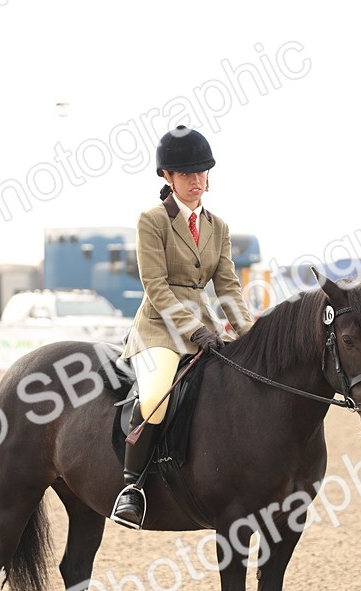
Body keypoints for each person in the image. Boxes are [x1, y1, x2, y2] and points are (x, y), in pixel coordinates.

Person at [110, 126, 254, 529]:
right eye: (186, 174)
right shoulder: (152, 221)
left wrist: (249, 334)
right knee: (156, 396)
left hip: (206, 329)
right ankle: (132, 487)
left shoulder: (218, 228)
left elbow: (227, 286)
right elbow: (155, 286)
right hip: (160, 329)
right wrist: (195, 332)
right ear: (167, 178)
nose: (196, 181)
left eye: (201, 173)